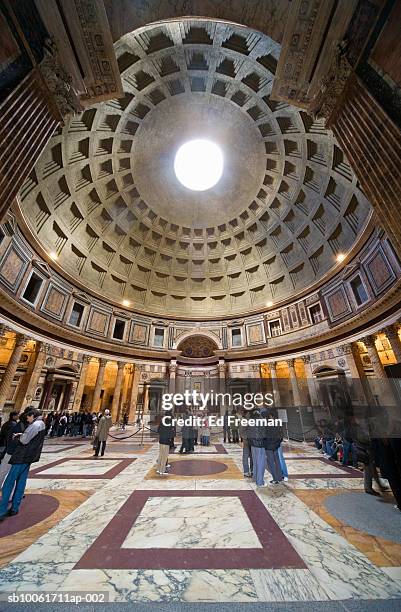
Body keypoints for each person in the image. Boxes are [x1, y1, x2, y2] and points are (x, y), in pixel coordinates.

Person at [0, 408, 46, 520]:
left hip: (20, 457)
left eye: (28, 417)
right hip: (29, 457)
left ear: (32, 415)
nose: (27, 419)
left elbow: (24, 440)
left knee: (9, 483)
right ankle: (15, 507)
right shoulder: (42, 424)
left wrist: (20, 436)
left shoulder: (35, 425)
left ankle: (2, 510)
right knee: (21, 482)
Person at [248, 407, 267, 487]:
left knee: (255, 461)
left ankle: (255, 477)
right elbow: (264, 432)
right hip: (260, 443)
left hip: (252, 444)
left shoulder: (250, 420)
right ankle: (260, 482)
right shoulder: (261, 420)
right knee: (261, 463)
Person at [0, 411, 20, 486]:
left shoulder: (7, 423)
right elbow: (9, 437)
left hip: (4, 444)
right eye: (17, 415)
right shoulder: (13, 424)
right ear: (13, 416)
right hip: (5, 445)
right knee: (3, 466)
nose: (18, 416)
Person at [264, 412, 284, 484]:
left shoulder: (266, 425)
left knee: (271, 463)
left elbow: (264, 436)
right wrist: (278, 443)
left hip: (268, 447)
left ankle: (275, 479)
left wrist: (264, 444)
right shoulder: (277, 424)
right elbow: (281, 435)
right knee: (277, 461)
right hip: (276, 446)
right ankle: (280, 477)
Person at [239, 410, 253, 477]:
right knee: (245, 456)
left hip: (253, 441)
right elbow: (241, 432)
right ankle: (246, 471)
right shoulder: (244, 421)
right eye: (249, 413)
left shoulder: (251, 420)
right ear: (246, 413)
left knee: (252, 456)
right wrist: (246, 437)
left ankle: (252, 470)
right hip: (247, 442)